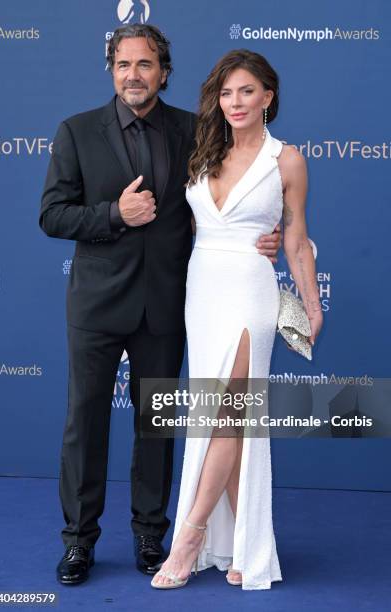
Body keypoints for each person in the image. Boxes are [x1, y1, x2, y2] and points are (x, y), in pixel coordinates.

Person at [40, 25, 281, 585]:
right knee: (85, 424)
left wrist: (268, 236)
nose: (134, 74)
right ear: (111, 70)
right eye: (123, 64)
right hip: (98, 306)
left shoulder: (197, 131)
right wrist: (113, 214)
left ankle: (153, 535)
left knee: (157, 426)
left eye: (145, 64)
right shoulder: (76, 131)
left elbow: (236, 198)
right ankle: (79, 542)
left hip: (169, 306)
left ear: (163, 72)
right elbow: (52, 215)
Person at [151, 50, 323, 590]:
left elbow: (294, 239)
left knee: (229, 412)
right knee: (227, 419)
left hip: (251, 288)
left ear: (268, 96)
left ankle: (189, 538)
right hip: (202, 287)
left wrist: (312, 305)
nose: (235, 102)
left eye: (247, 91)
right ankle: (246, 545)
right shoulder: (203, 150)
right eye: (226, 93)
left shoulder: (286, 159)